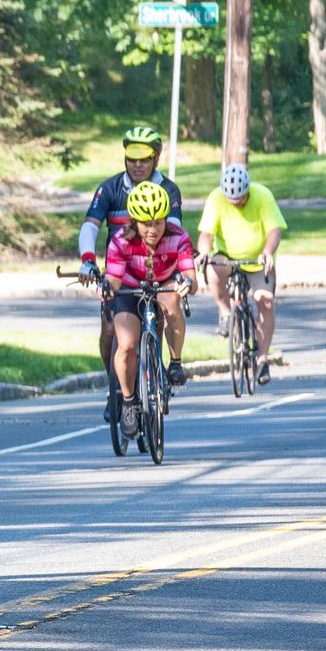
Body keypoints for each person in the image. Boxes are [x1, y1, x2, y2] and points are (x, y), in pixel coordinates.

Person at [79, 124, 182, 420]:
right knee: (111, 331)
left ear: (156, 158)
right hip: (120, 272)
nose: (137, 165)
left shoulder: (169, 189)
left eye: (144, 159)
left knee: (164, 312)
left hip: (158, 271)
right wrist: (87, 260)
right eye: (132, 158)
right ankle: (116, 386)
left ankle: (158, 370)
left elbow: (172, 232)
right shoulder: (110, 189)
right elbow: (90, 227)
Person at [102, 181, 196, 440]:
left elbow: (190, 275)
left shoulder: (178, 237)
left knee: (173, 301)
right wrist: (106, 288)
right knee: (127, 345)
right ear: (134, 221)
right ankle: (129, 402)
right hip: (131, 287)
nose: (153, 230)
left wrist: (186, 282)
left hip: (164, 282)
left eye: (158, 222)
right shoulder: (121, 241)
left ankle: (175, 362)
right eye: (146, 224)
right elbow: (114, 279)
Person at [196, 162, 285, 384]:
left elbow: (275, 230)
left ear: (248, 191)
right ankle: (226, 312)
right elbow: (206, 234)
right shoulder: (216, 198)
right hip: (228, 255)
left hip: (257, 259)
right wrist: (204, 253)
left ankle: (262, 359)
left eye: (241, 199)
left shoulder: (263, 195)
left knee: (265, 301)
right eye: (232, 200)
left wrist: (267, 252)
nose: (237, 204)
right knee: (213, 268)